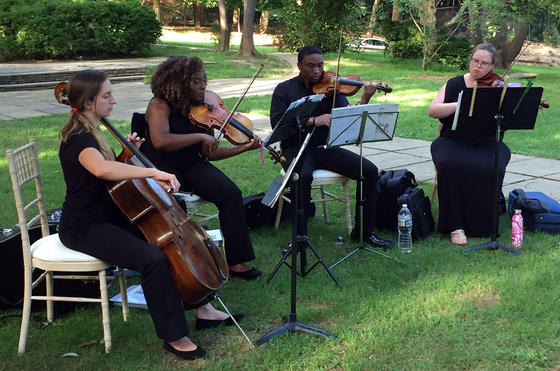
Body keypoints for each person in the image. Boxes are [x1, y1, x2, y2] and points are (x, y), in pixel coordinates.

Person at [58, 69, 241, 361]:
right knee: (152, 259)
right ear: (90, 102)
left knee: (170, 227)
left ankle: (204, 309)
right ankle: (175, 337)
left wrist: (125, 155)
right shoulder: (78, 137)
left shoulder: (93, 129)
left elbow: (105, 175)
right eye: (107, 95)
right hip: (84, 226)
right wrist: (151, 170)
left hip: (109, 213)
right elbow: (100, 170)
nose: (113, 100)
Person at [142, 56, 262, 279]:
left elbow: (211, 152)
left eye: (203, 80)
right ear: (178, 83)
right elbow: (160, 140)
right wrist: (198, 136)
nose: (203, 86)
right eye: (196, 81)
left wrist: (243, 148)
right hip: (164, 167)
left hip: (192, 165)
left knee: (231, 194)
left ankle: (236, 262)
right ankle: (184, 265)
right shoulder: (159, 104)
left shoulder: (202, 110)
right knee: (174, 204)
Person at [269, 45, 392, 249]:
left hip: (324, 148)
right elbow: (278, 123)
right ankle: (300, 239)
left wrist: (365, 98)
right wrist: (315, 120)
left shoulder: (333, 88)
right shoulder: (285, 89)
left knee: (369, 171)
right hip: (295, 148)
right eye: (311, 66)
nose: (317, 71)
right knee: (302, 176)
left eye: (320, 65)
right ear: (299, 65)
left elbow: (347, 117)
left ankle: (364, 233)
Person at [428, 43, 511, 245]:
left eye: (484, 63)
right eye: (475, 61)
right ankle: (455, 226)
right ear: (470, 60)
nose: (478, 67)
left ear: (492, 66)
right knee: (449, 164)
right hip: (452, 140)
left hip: (486, 142)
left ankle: (484, 225)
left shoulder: (497, 87)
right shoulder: (455, 84)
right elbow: (433, 110)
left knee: (495, 163)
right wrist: (460, 104)